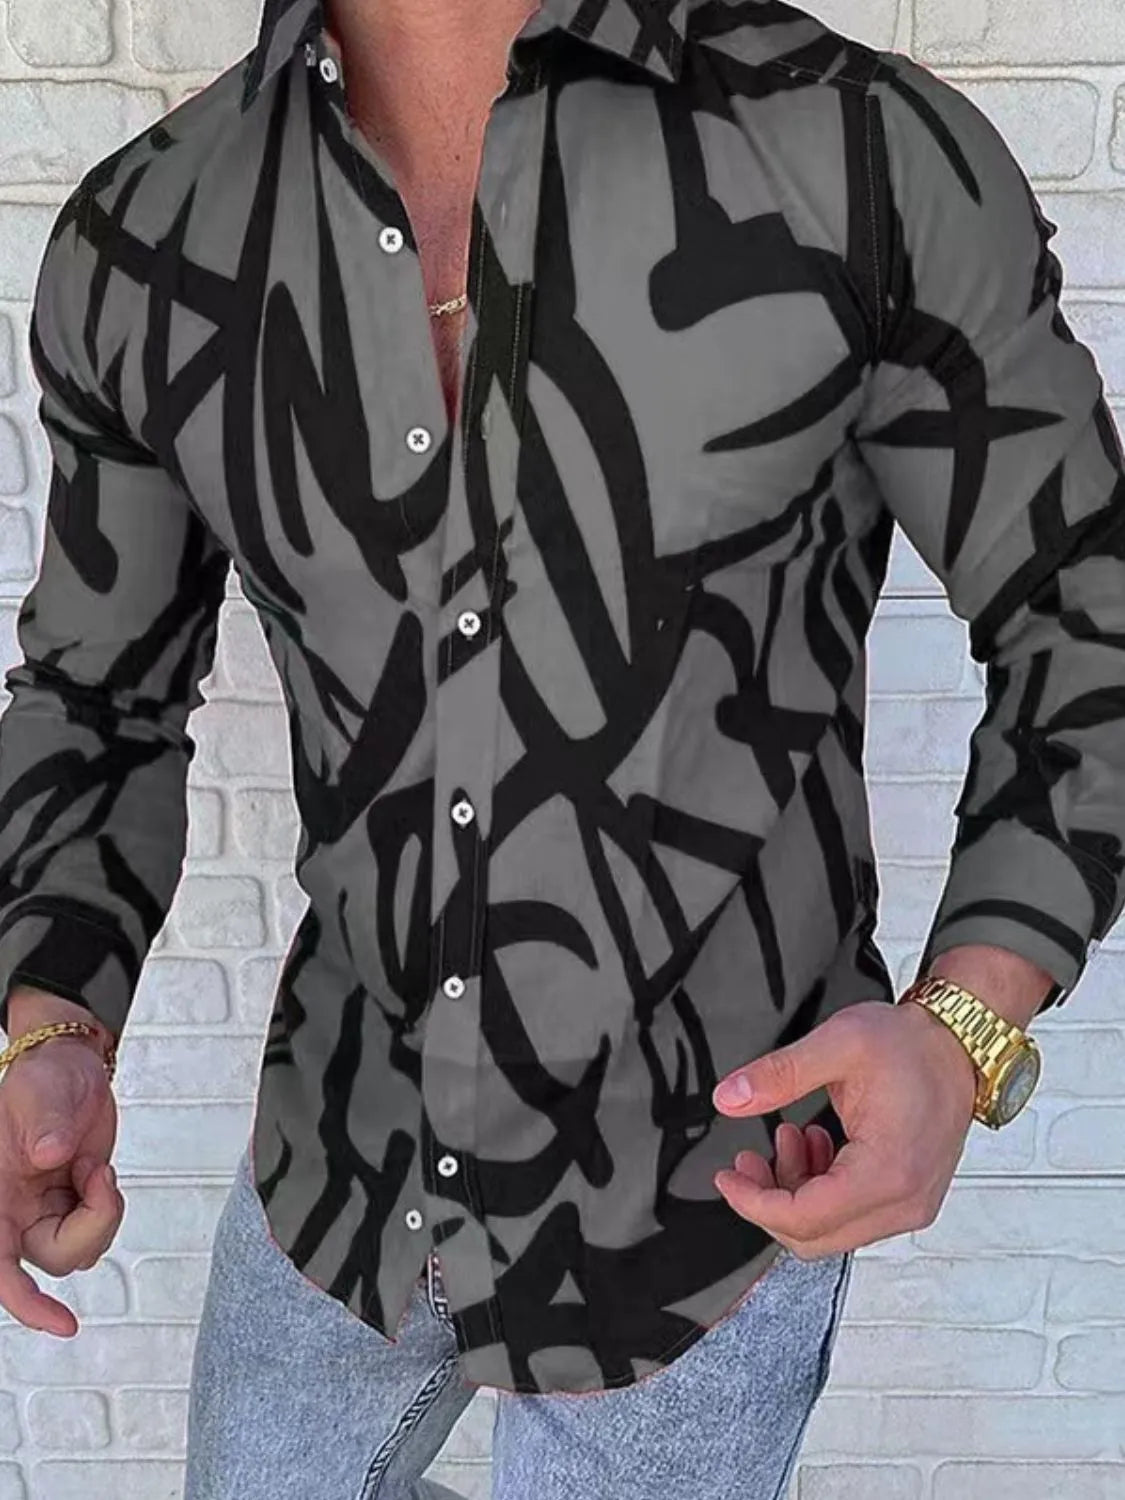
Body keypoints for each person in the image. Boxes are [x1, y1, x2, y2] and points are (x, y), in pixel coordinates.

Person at [0, 0, 1121, 1495]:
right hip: (341, 1161)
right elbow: (96, 693)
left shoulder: (854, 153)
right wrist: (51, 1029)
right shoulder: (147, 235)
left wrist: (964, 1023)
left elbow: (1084, 610)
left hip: (710, 1209)